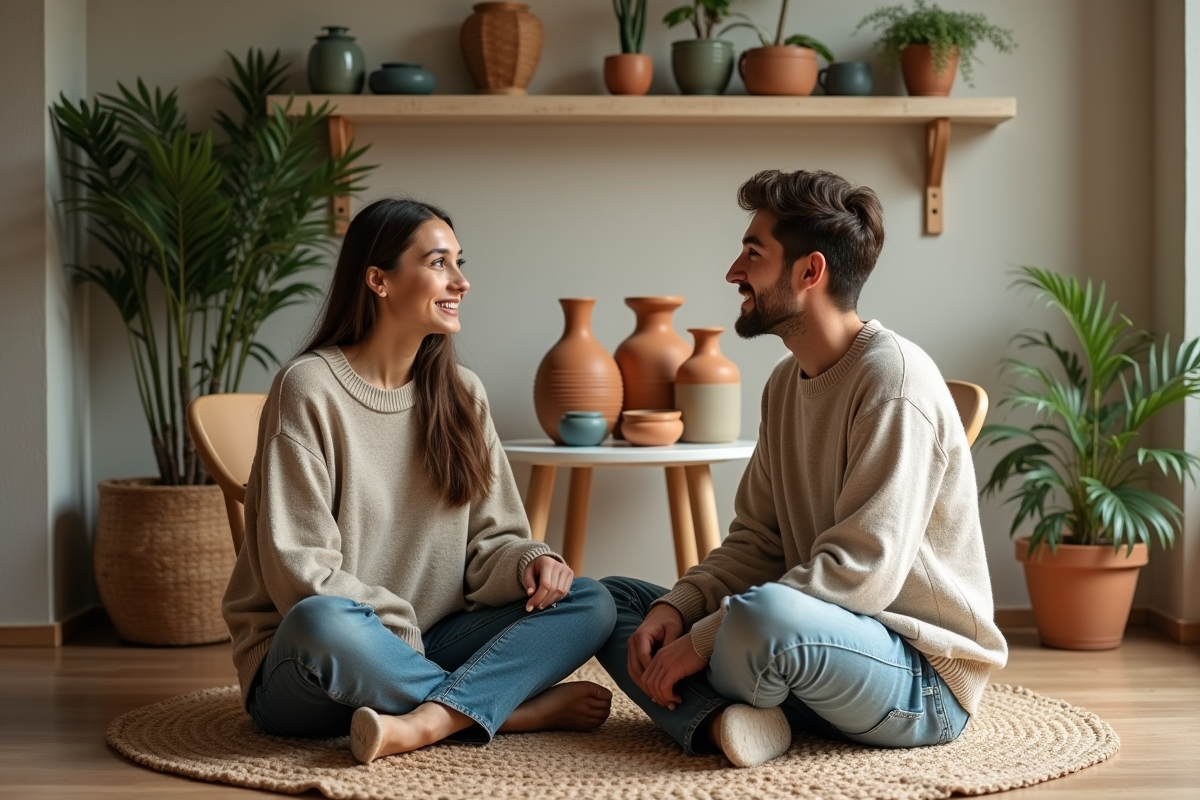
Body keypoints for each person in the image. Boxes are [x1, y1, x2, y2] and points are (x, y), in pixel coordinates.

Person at [597, 169, 1008, 768]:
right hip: (816, 645)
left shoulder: (893, 382)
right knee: (614, 602)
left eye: (753, 254)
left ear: (810, 272)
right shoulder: (785, 384)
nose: (733, 272)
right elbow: (758, 542)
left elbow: (862, 573)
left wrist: (704, 639)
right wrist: (679, 609)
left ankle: (715, 705)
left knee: (759, 619)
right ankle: (726, 721)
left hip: (921, 682)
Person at [223, 198, 617, 765]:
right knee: (321, 619)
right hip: (316, 665)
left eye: (459, 262)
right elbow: (299, 573)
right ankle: (503, 711)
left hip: (429, 646)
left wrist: (529, 563)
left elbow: (492, 541)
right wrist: (393, 632)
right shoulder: (308, 388)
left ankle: (430, 714)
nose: (461, 281)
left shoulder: (462, 393)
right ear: (378, 280)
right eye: (438, 263)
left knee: (591, 600)